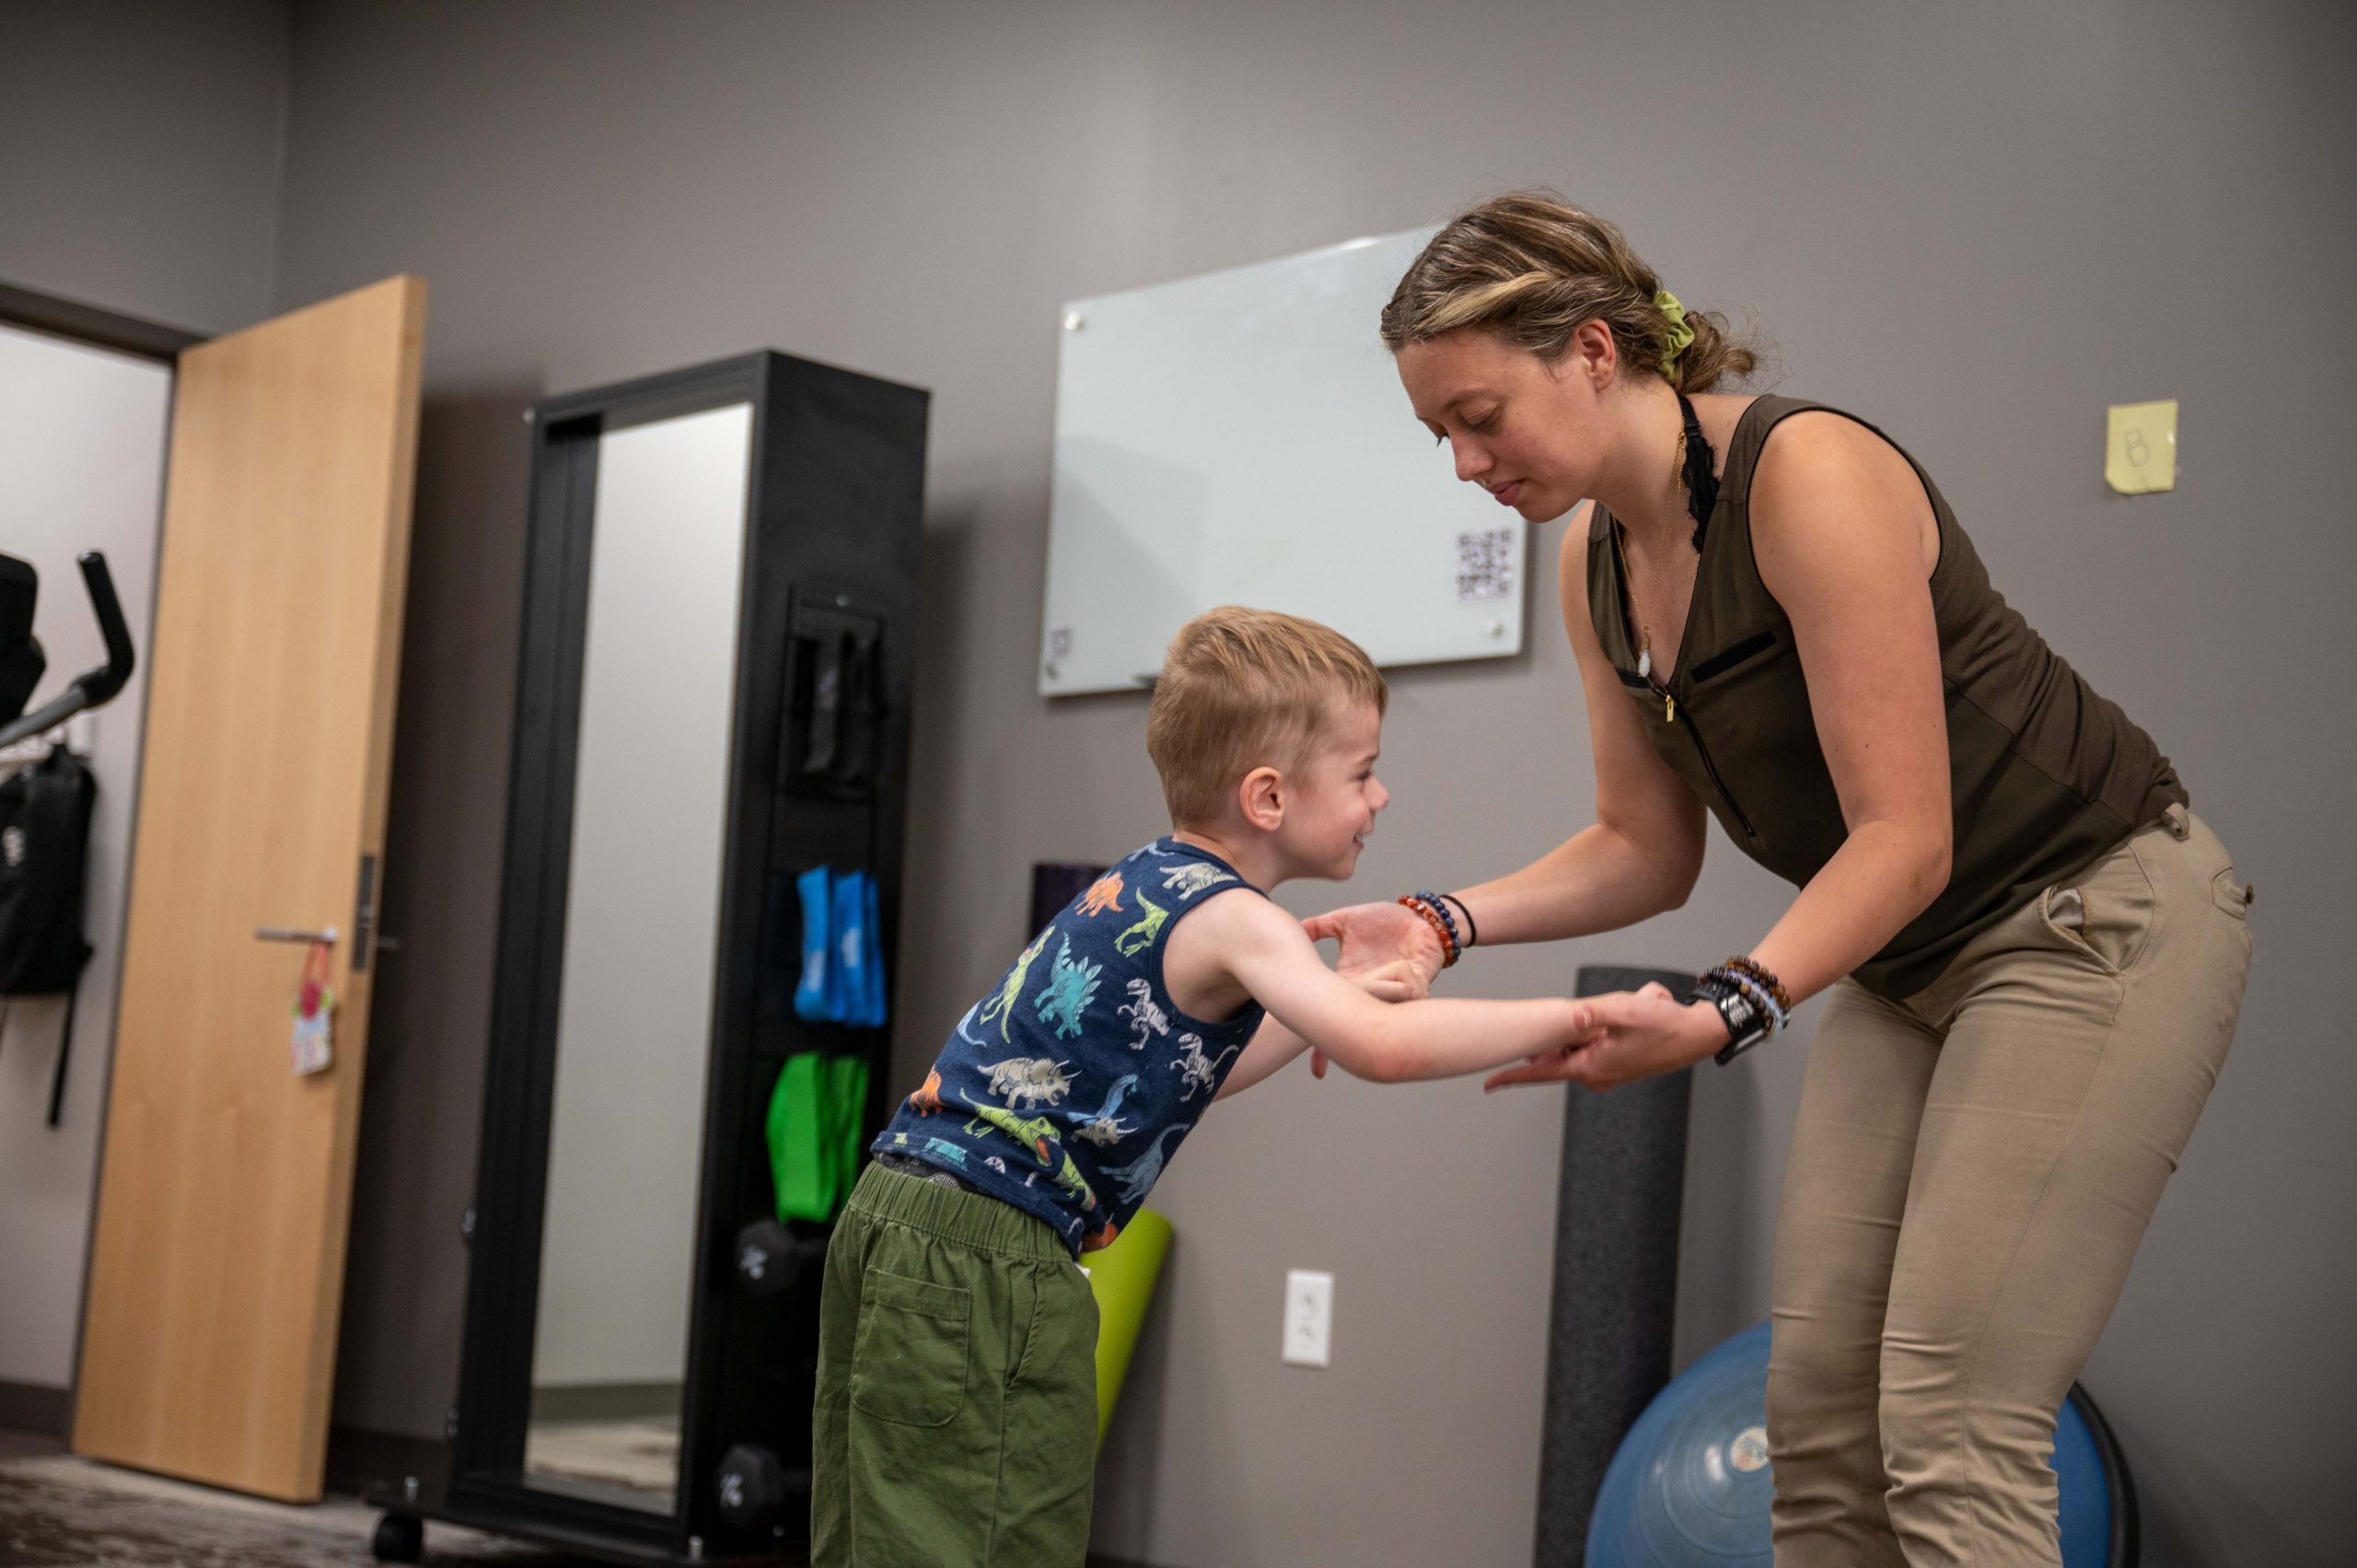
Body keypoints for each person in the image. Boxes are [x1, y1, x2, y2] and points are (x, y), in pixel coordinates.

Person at [1308, 192, 2254, 1566]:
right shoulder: (1600, 565)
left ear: (1589, 349)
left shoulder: (1808, 475)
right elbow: (1644, 845)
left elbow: (1903, 835)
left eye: (1479, 414)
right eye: (1436, 432)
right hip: (1914, 957)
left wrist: (1726, 1010)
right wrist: (1445, 919)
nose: (1461, 461)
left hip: (2089, 914)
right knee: (1818, 1423)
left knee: (1952, 1419)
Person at [808, 605, 1602, 1567]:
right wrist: (1570, 1017)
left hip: (898, 1214)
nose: (1381, 795)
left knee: (882, 1535)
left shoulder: (1149, 880)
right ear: (1267, 796)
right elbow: (1384, 1048)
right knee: (990, 1537)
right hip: (991, 1258)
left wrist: (1328, 999)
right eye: (1361, 772)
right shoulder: (1236, 913)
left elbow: (1170, 1077)